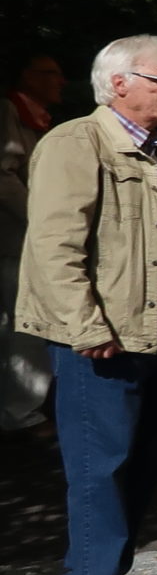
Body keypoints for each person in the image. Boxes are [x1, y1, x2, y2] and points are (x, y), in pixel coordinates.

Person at [15, 36, 157, 575]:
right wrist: (87, 325)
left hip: (156, 330)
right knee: (103, 468)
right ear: (119, 82)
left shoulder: (155, 151)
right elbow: (54, 246)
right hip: (105, 338)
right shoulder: (77, 142)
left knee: (140, 465)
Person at [0, 77, 52, 440]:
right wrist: (41, 221)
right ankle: (21, 413)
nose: (60, 80)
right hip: (17, 241)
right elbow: (4, 175)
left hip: (16, 241)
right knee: (25, 327)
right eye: (49, 72)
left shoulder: (32, 116)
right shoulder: (10, 110)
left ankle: (19, 410)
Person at [9, 52, 65, 138]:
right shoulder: (8, 111)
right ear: (29, 76)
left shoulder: (42, 119)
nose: (62, 82)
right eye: (53, 73)